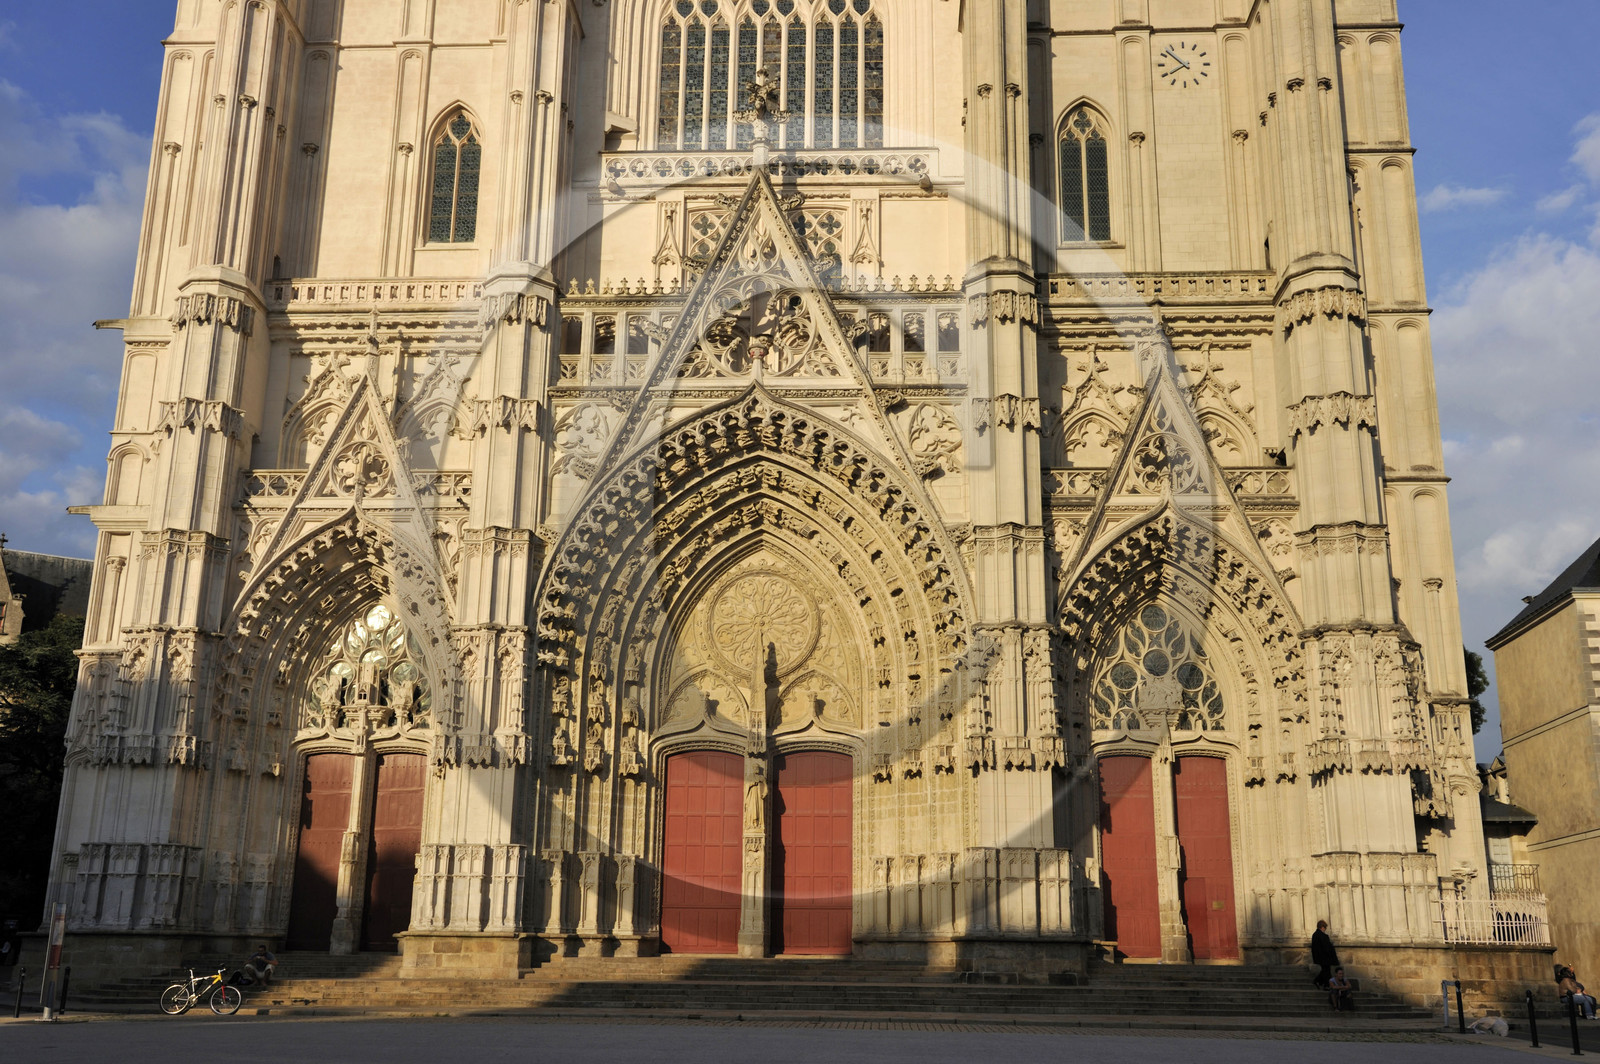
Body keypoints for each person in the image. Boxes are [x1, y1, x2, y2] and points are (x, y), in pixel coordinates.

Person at [1311, 920, 1339, 989]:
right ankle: (1322, 983)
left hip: (1319, 957)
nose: (1325, 929)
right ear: (1322, 927)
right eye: (1325, 928)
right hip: (1324, 957)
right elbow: (1326, 947)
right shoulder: (1322, 936)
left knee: (1326, 970)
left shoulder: (1315, 934)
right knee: (1326, 970)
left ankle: (1324, 984)